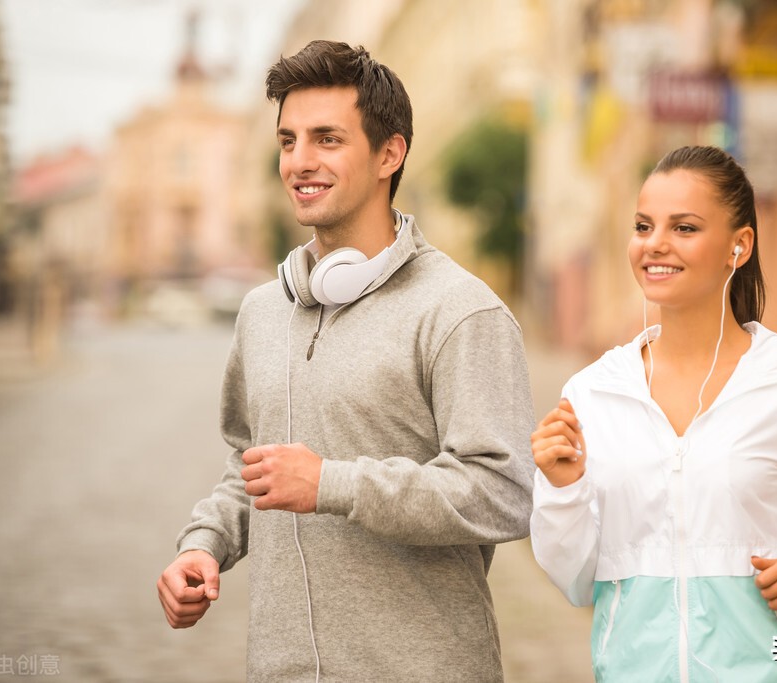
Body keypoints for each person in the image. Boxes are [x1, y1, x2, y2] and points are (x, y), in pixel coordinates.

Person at [156, 40, 535, 682]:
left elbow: (503, 493)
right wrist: (205, 544)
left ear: (390, 153)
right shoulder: (261, 311)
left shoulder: (460, 311)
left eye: (327, 139)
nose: (300, 161)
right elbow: (251, 466)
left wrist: (333, 483)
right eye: (287, 141)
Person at [529, 145, 777, 682]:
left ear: (738, 245)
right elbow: (577, 581)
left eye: (685, 228)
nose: (655, 245)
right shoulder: (593, 394)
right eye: (643, 225)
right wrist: (563, 490)